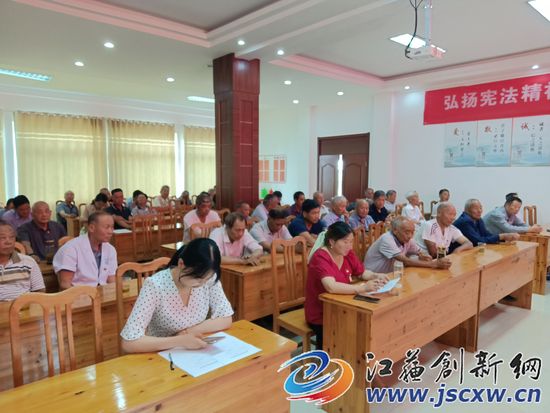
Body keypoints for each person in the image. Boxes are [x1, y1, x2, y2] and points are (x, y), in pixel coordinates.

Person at [120, 238, 233, 353]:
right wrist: (180, 340)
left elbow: (226, 318)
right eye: (198, 279)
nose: (202, 284)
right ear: (181, 264)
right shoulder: (155, 285)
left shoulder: (208, 278)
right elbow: (129, 342)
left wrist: (189, 332)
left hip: (193, 349)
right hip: (160, 353)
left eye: (206, 279)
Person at [305, 222, 388, 350]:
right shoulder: (320, 257)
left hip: (344, 305)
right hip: (322, 312)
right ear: (332, 242)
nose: (349, 246)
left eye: (351, 242)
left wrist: (375, 275)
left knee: (365, 323)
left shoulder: (347, 253)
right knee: (343, 332)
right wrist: (362, 288)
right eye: (345, 242)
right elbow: (331, 286)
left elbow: (361, 272)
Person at [53, 212, 117, 289]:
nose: (110, 232)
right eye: (107, 227)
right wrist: (84, 295)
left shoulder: (110, 249)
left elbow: (111, 280)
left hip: (103, 292)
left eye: (112, 227)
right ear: (91, 228)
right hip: (78, 293)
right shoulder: (71, 248)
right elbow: (65, 284)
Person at [364, 216, 451, 273]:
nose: (410, 236)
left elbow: (420, 252)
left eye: (412, 232)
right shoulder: (387, 239)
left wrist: (423, 255)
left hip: (391, 274)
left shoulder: (408, 240)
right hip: (372, 276)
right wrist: (434, 264)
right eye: (407, 232)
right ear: (395, 230)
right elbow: (406, 261)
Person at [0, 220, 45, 301]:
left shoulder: (28, 262)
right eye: (2, 238)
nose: (8, 242)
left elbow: (40, 291)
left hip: (25, 307)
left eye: (12, 237)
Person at [454, 199, 520, 246]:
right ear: (467, 210)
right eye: (476, 208)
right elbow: (478, 241)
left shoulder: (478, 220)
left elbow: (487, 235)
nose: (479, 211)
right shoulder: (465, 221)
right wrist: (502, 236)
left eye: (480, 208)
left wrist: (505, 238)